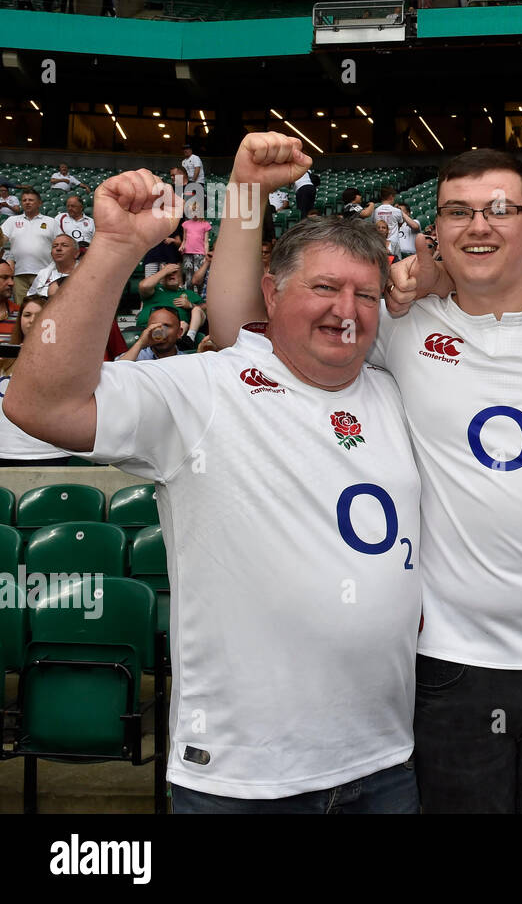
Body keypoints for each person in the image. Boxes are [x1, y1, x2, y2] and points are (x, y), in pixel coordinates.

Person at [209, 147, 522, 816]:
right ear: (433, 230)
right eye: (459, 211)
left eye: (501, 209)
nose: (480, 225)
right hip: (452, 666)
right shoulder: (397, 324)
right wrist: (243, 193)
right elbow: (236, 328)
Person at [4, 135, 423, 813]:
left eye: (365, 294)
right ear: (271, 291)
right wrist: (114, 248)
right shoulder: (206, 390)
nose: (346, 311)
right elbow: (39, 403)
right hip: (242, 778)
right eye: (323, 287)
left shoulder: (398, 392)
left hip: (385, 761)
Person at [0, 295, 70, 468]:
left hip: (47, 451)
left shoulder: (64, 357)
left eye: (39, 315)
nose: (32, 320)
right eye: (27, 315)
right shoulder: (5, 357)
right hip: (6, 449)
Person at [1, 191, 56, 303]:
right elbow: (1, 240)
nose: (27, 203)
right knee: (20, 310)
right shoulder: (12, 221)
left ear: (39, 203)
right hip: (18, 275)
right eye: (24, 200)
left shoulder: (51, 222)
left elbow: (60, 243)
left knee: (43, 308)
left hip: (44, 274)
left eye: (31, 200)